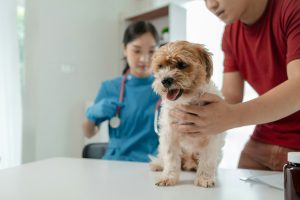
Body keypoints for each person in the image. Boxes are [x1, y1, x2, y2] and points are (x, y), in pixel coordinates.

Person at [169, 0, 300, 171]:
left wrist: (231, 117)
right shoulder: (230, 33)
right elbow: (231, 95)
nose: (211, 5)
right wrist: (195, 114)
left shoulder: (292, 7)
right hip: (264, 138)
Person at [83, 21, 160, 162]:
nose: (144, 59)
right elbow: (88, 133)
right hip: (116, 164)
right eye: (137, 51)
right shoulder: (110, 88)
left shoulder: (166, 90)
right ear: (124, 49)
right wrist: (91, 115)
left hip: (153, 166)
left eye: (151, 51)